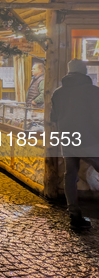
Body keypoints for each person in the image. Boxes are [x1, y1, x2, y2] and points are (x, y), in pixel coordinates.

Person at [51, 59, 99, 229]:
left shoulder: (58, 93)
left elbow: (54, 119)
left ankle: (74, 214)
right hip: (92, 142)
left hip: (69, 142)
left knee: (70, 175)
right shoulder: (94, 92)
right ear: (84, 72)